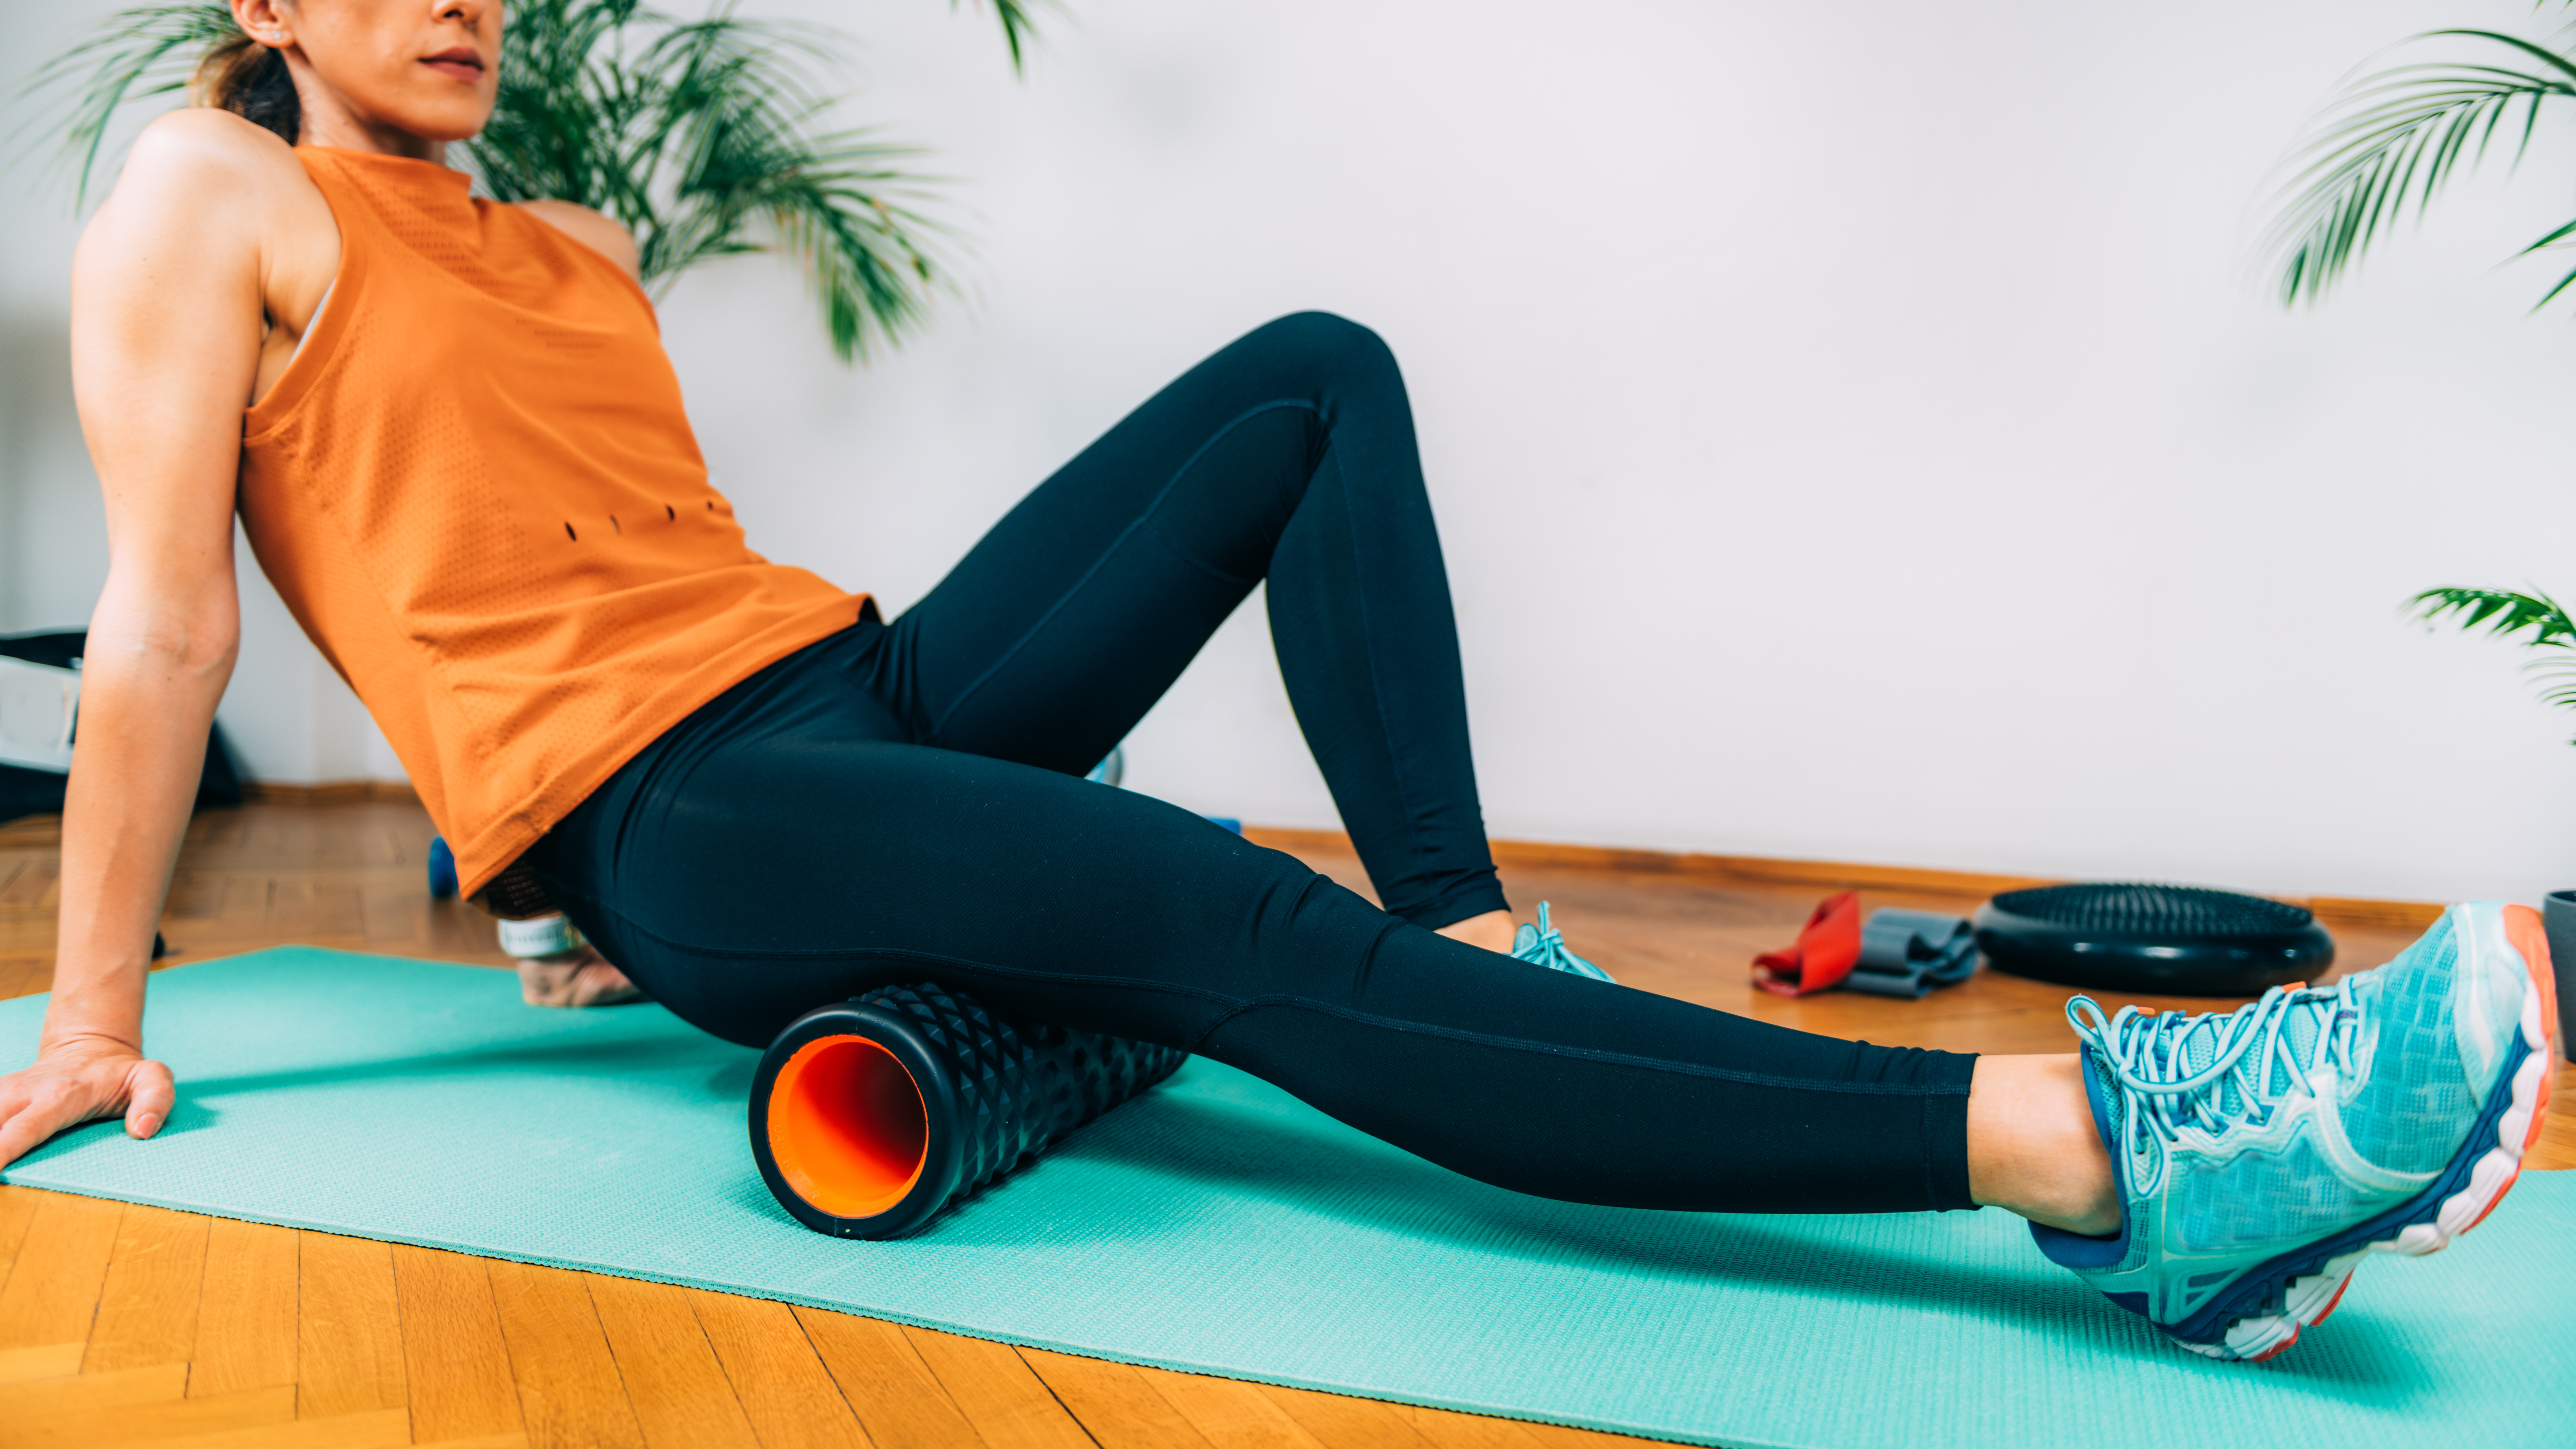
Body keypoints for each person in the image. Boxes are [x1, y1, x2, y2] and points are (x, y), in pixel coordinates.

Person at [0, 0, 2554, 1365]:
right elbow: (176, 617)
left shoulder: (564, 234)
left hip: (834, 692)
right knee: (1230, 917)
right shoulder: (209, 191)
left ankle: (1463, 937)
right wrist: (93, 998)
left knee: (1310, 369)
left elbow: (572, 560)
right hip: (691, 820)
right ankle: (2120, 1157)